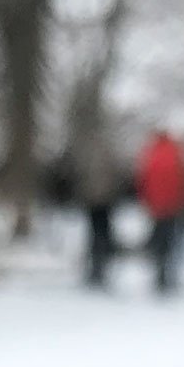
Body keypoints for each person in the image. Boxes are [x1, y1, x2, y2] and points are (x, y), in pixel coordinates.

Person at [136, 127, 184, 295]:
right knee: (170, 240)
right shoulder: (176, 153)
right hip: (173, 205)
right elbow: (183, 179)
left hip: (155, 205)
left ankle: (159, 273)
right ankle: (168, 274)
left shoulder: (150, 153)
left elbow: (143, 179)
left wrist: (145, 200)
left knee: (158, 240)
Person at [73, 121, 127, 290]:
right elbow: (118, 177)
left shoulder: (87, 155)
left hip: (93, 202)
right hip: (105, 202)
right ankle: (101, 266)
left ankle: (96, 267)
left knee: (95, 235)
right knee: (103, 235)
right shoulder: (110, 155)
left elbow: (78, 176)